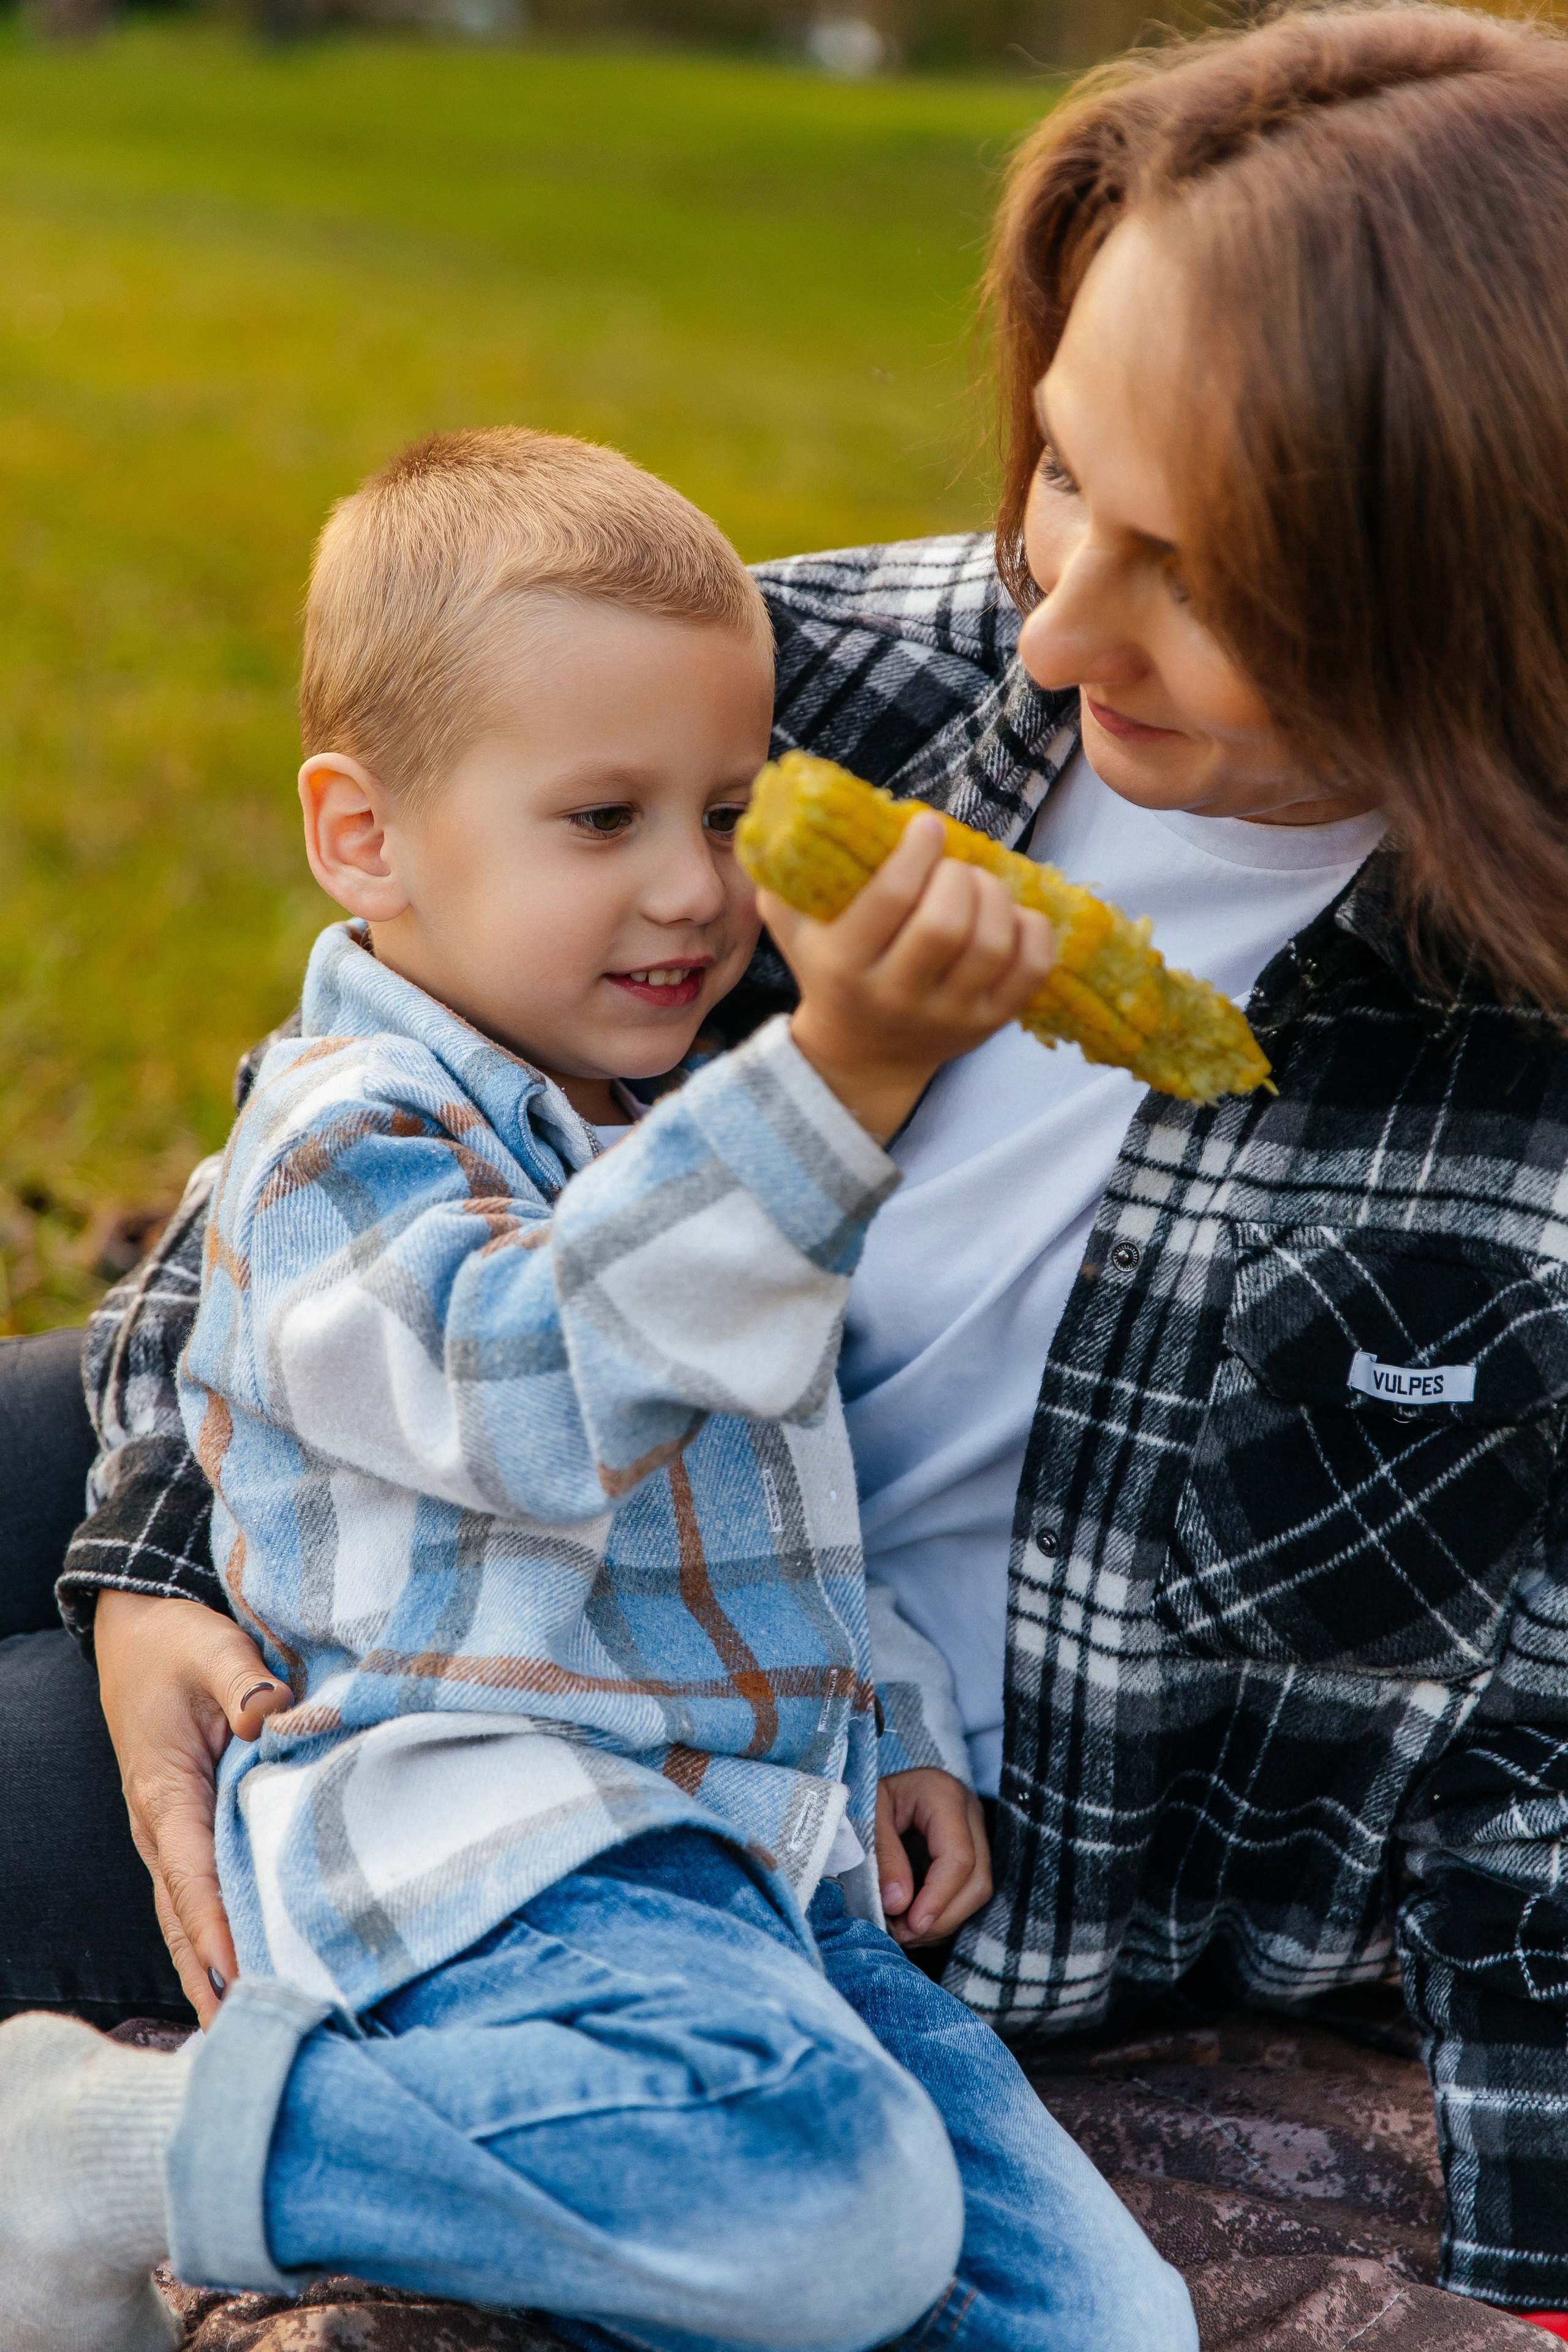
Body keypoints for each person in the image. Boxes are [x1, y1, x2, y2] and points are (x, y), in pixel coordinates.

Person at [13, 0, 1568, 2322]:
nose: (1056, 625)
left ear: (1474, 590)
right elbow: (354, 1090)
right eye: (1061, 475)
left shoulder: (1516, 1085)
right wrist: (149, 1542)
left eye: (1200, 570)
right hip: (394, 1453)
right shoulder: (839, 683)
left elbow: (1537, 1802)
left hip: (696, 1750)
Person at [0, 427, 1194, 2352]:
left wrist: (889, 1707)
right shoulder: (347, 1141)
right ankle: (119, 2150)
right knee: (827, 2206)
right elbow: (544, 1399)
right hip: (509, 1843)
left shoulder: (647, 1117)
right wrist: (838, 1083)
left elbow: (776, 1479)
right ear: (363, 837)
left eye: (725, 817)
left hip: (768, 1864)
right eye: (602, 820)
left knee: (1103, 2324)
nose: (694, 896)